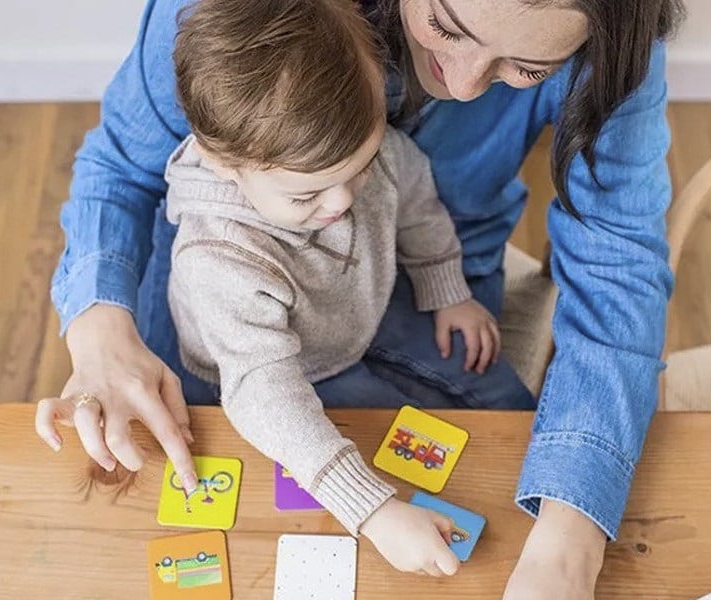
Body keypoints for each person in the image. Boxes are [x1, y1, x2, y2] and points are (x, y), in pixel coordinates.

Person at [37, 0, 685, 596]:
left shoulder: (389, 161)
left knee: (495, 468)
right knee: (204, 505)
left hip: (421, 290)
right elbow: (121, 172)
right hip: (236, 340)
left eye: (526, 67)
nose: (460, 87)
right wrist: (98, 329)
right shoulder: (221, 269)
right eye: (446, 28)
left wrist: (571, 541)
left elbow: (609, 260)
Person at [159, 0, 532, 575]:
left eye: (359, 167)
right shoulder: (218, 261)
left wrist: (446, 285)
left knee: (504, 402)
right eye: (307, 196)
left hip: (361, 309)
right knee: (314, 463)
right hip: (260, 376)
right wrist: (375, 510)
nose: (343, 201)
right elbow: (264, 391)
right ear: (224, 163)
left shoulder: (366, 142)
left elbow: (411, 191)